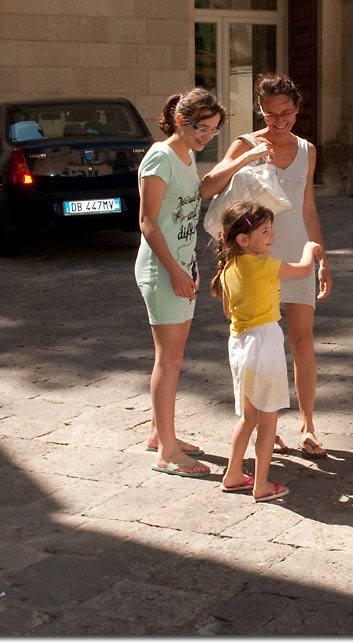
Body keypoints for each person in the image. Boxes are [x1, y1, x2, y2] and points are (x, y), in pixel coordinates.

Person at [203, 73, 332, 459]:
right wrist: (245, 158)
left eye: (287, 113)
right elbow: (208, 186)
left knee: (302, 341)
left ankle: (308, 425)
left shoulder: (307, 149)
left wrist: (322, 259)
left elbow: (308, 207)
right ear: (260, 111)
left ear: (297, 109)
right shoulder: (246, 143)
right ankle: (263, 423)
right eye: (272, 114)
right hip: (255, 258)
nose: (280, 121)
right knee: (259, 344)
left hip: (296, 252)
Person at [136, 88, 227, 478]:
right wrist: (174, 271)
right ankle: (168, 453)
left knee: (172, 357)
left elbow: (198, 194)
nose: (206, 136)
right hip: (163, 270)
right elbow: (147, 222)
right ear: (179, 120)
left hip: (182, 267)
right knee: (168, 359)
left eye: (213, 130)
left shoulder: (187, 157)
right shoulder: (160, 157)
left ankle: (159, 434)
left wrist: (241, 160)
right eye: (200, 128)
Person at [210, 201, 323, 501]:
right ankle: (261, 485)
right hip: (264, 343)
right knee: (268, 419)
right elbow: (303, 270)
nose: (272, 236)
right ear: (243, 239)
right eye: (265, 231)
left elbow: (228, 311)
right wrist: (309, 247)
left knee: (248, 417)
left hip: (239, 343)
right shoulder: (266, 265)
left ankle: (233, 474)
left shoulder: (227, 268)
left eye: (271, 229)